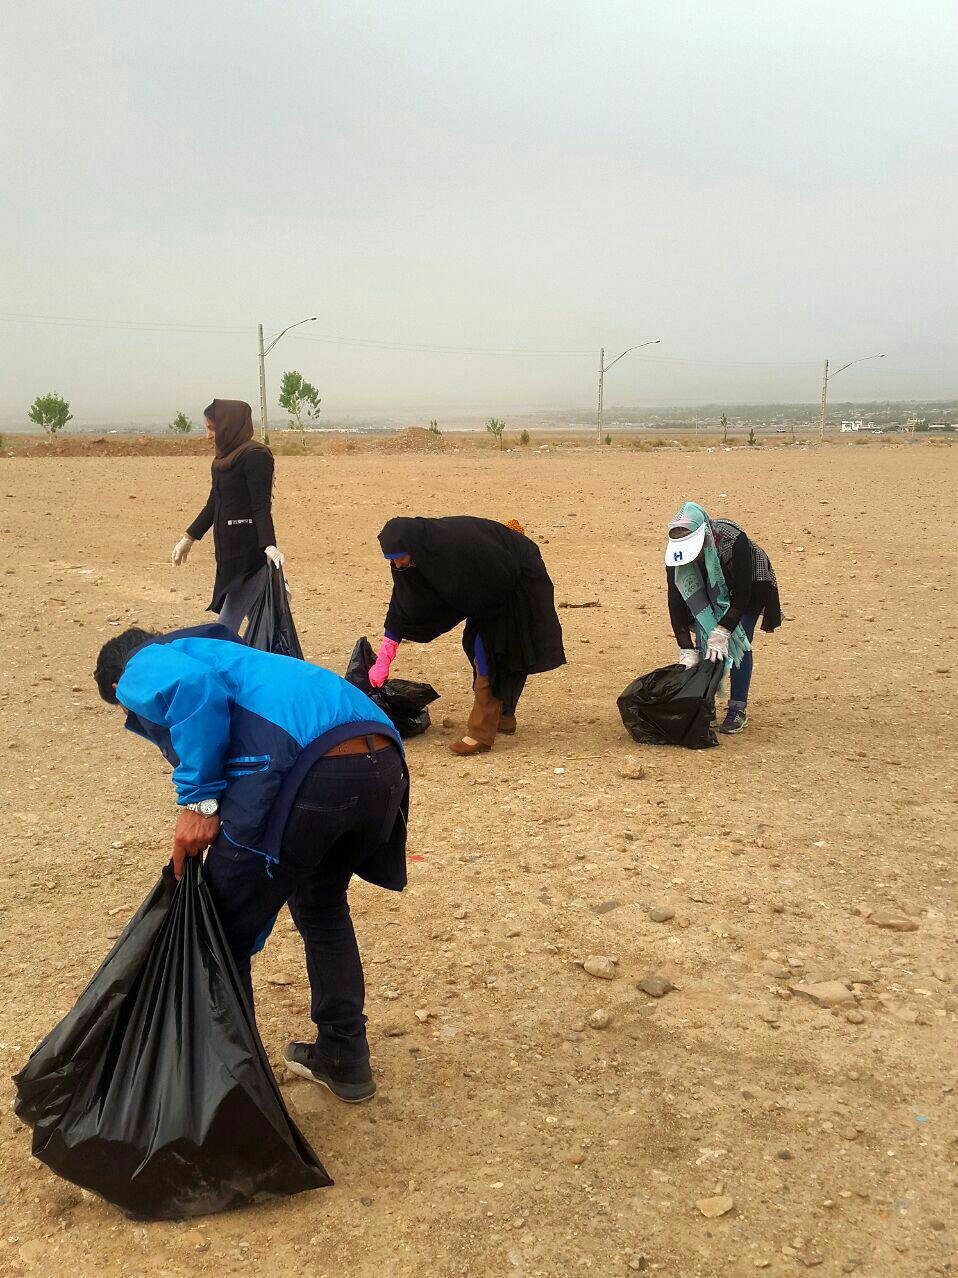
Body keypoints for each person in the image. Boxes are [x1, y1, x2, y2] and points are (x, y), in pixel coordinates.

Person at [93, 623, 409, 1103]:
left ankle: (235, 1101)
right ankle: (344, 1059)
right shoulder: (225, 653)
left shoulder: (144, 663)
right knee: (322, 906)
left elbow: (194, 690)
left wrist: (197, 803)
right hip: (381, 763)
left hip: (313, 772)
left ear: (118, 687)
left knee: (219, 931)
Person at [367, 516, 566, 755]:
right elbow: (403, 607)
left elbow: (494, 578)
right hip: (485, 583)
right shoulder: (419, 559)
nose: (398, 565)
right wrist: (384, 658)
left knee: (490, 650)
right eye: (392, 560)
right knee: (482, 647)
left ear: (414, 547)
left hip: (514, 576)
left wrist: (480, 610)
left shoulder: (454, 549)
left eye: (400, 557)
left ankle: (480, 733)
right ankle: (503, 717)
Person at [664, 501, 782, 734]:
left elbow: (742, 595)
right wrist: (686, 648)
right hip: (705, 587)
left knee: (739, 640)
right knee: (703, 643)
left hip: (748, 586)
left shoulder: (733, 541)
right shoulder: (675, 555)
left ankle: (737, 708)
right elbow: (675, 600)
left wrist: (724, 629)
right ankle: (705, 706)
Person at [171, 399, 285, 633]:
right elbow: (215, 503)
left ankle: (220, 665)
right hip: (228, 555)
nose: (208, 436)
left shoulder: (255, 456)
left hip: (249, 556)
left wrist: (269, 546)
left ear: (227, 426)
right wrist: (189, 538)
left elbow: (260, 506)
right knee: (267, 626)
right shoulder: (222, 459)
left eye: (212, 428)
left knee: (226, 626)